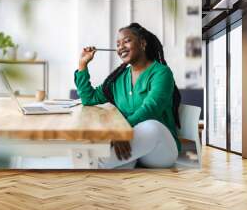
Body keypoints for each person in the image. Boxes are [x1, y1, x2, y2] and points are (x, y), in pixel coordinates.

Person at [74, 23, 181, 169]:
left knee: (151, 126)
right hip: (133, 146)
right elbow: (89, 98)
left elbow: (151, 109)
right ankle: (105, 166)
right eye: (118, 44)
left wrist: (122, 131)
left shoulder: (161, 73)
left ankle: (96, 162)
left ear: (142, 44)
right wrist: (82, 65)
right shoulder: (118, 78)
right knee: (118, 161)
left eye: (126, 41)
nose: (121, 47)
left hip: (160, 149)